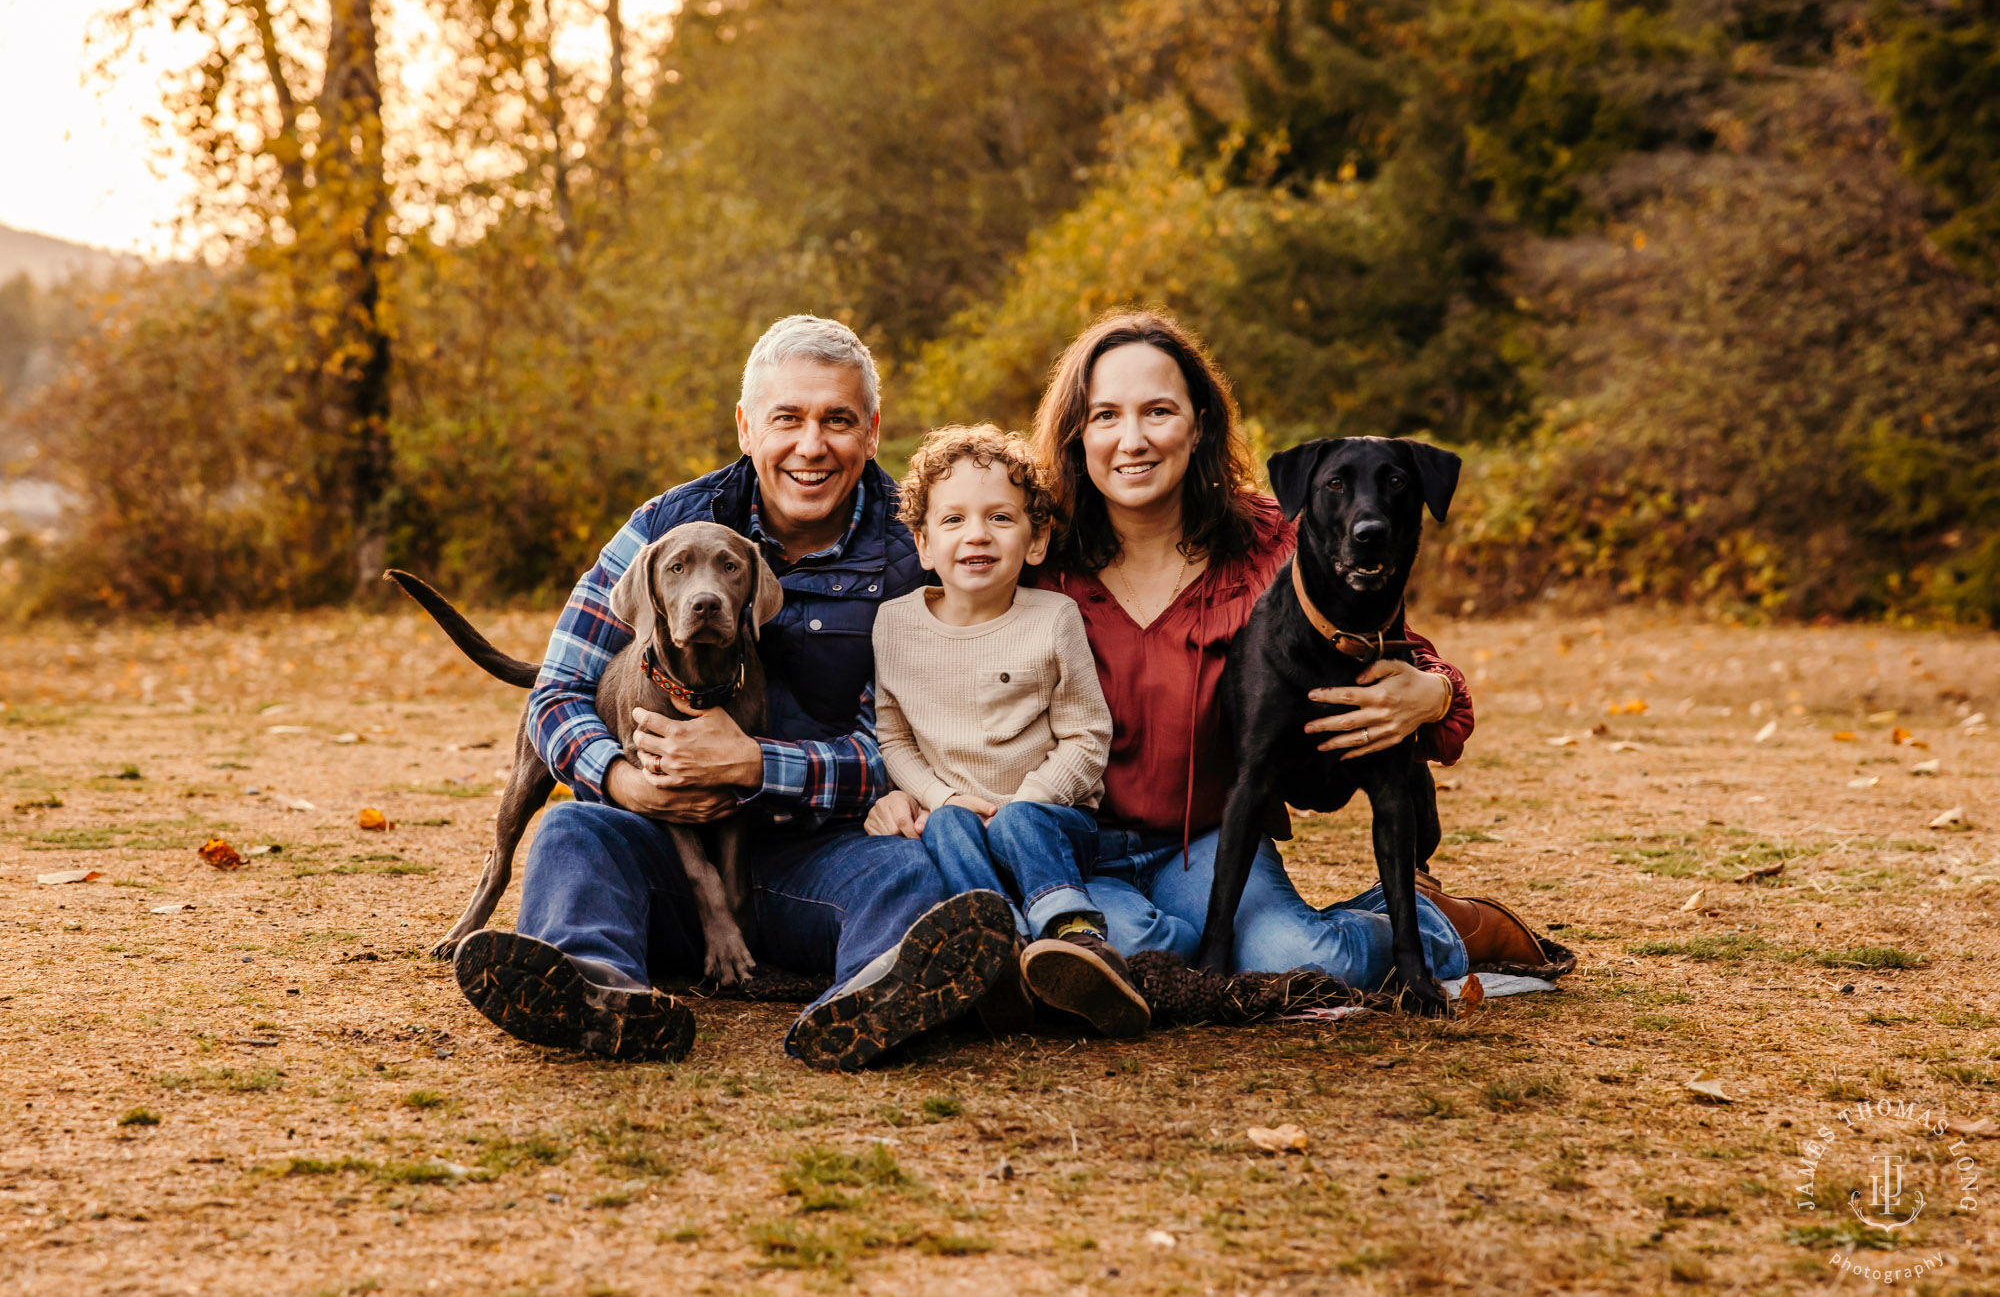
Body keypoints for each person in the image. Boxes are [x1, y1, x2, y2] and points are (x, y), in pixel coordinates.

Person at [448, 315, 1015, 1073]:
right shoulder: (663, 528)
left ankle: (874, 998)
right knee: (570, 836)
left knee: (906, 876)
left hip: (823, 858)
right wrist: (625, 782)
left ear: (873, 432)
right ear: (748, 427)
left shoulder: (918, 552)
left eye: (838, 421)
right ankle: (594, 988)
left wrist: (756, 764)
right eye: (788, 418)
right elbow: (555, 695)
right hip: (665, 858)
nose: (811, 446)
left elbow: (925, 746)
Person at [1025, 309, 1549, 988]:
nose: (1133, 440)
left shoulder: (1277, 540)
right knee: (1128, 957)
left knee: (1297, 959)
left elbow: (1403, 652)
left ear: (1200, 424)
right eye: (1105, 416)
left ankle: (1435, 926)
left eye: (1158, 411)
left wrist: (1435, 693)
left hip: (1209, 843)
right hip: (1079, 844)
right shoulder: (1036, 555)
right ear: (1076, 433)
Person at [866, 424, 1147, 1039]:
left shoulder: (1052, 618)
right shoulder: (894, 625)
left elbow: (1087, 736)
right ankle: (998, 952)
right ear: (922, 543)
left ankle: (1076, 938)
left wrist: (1030, 801)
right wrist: (942, 798)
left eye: (999, 517)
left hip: (1053, 822)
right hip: (959, 823)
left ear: (1037, 538)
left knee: (1018, 824)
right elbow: (894, 740)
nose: (977, 535)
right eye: (953, 521)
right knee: (947, 825)